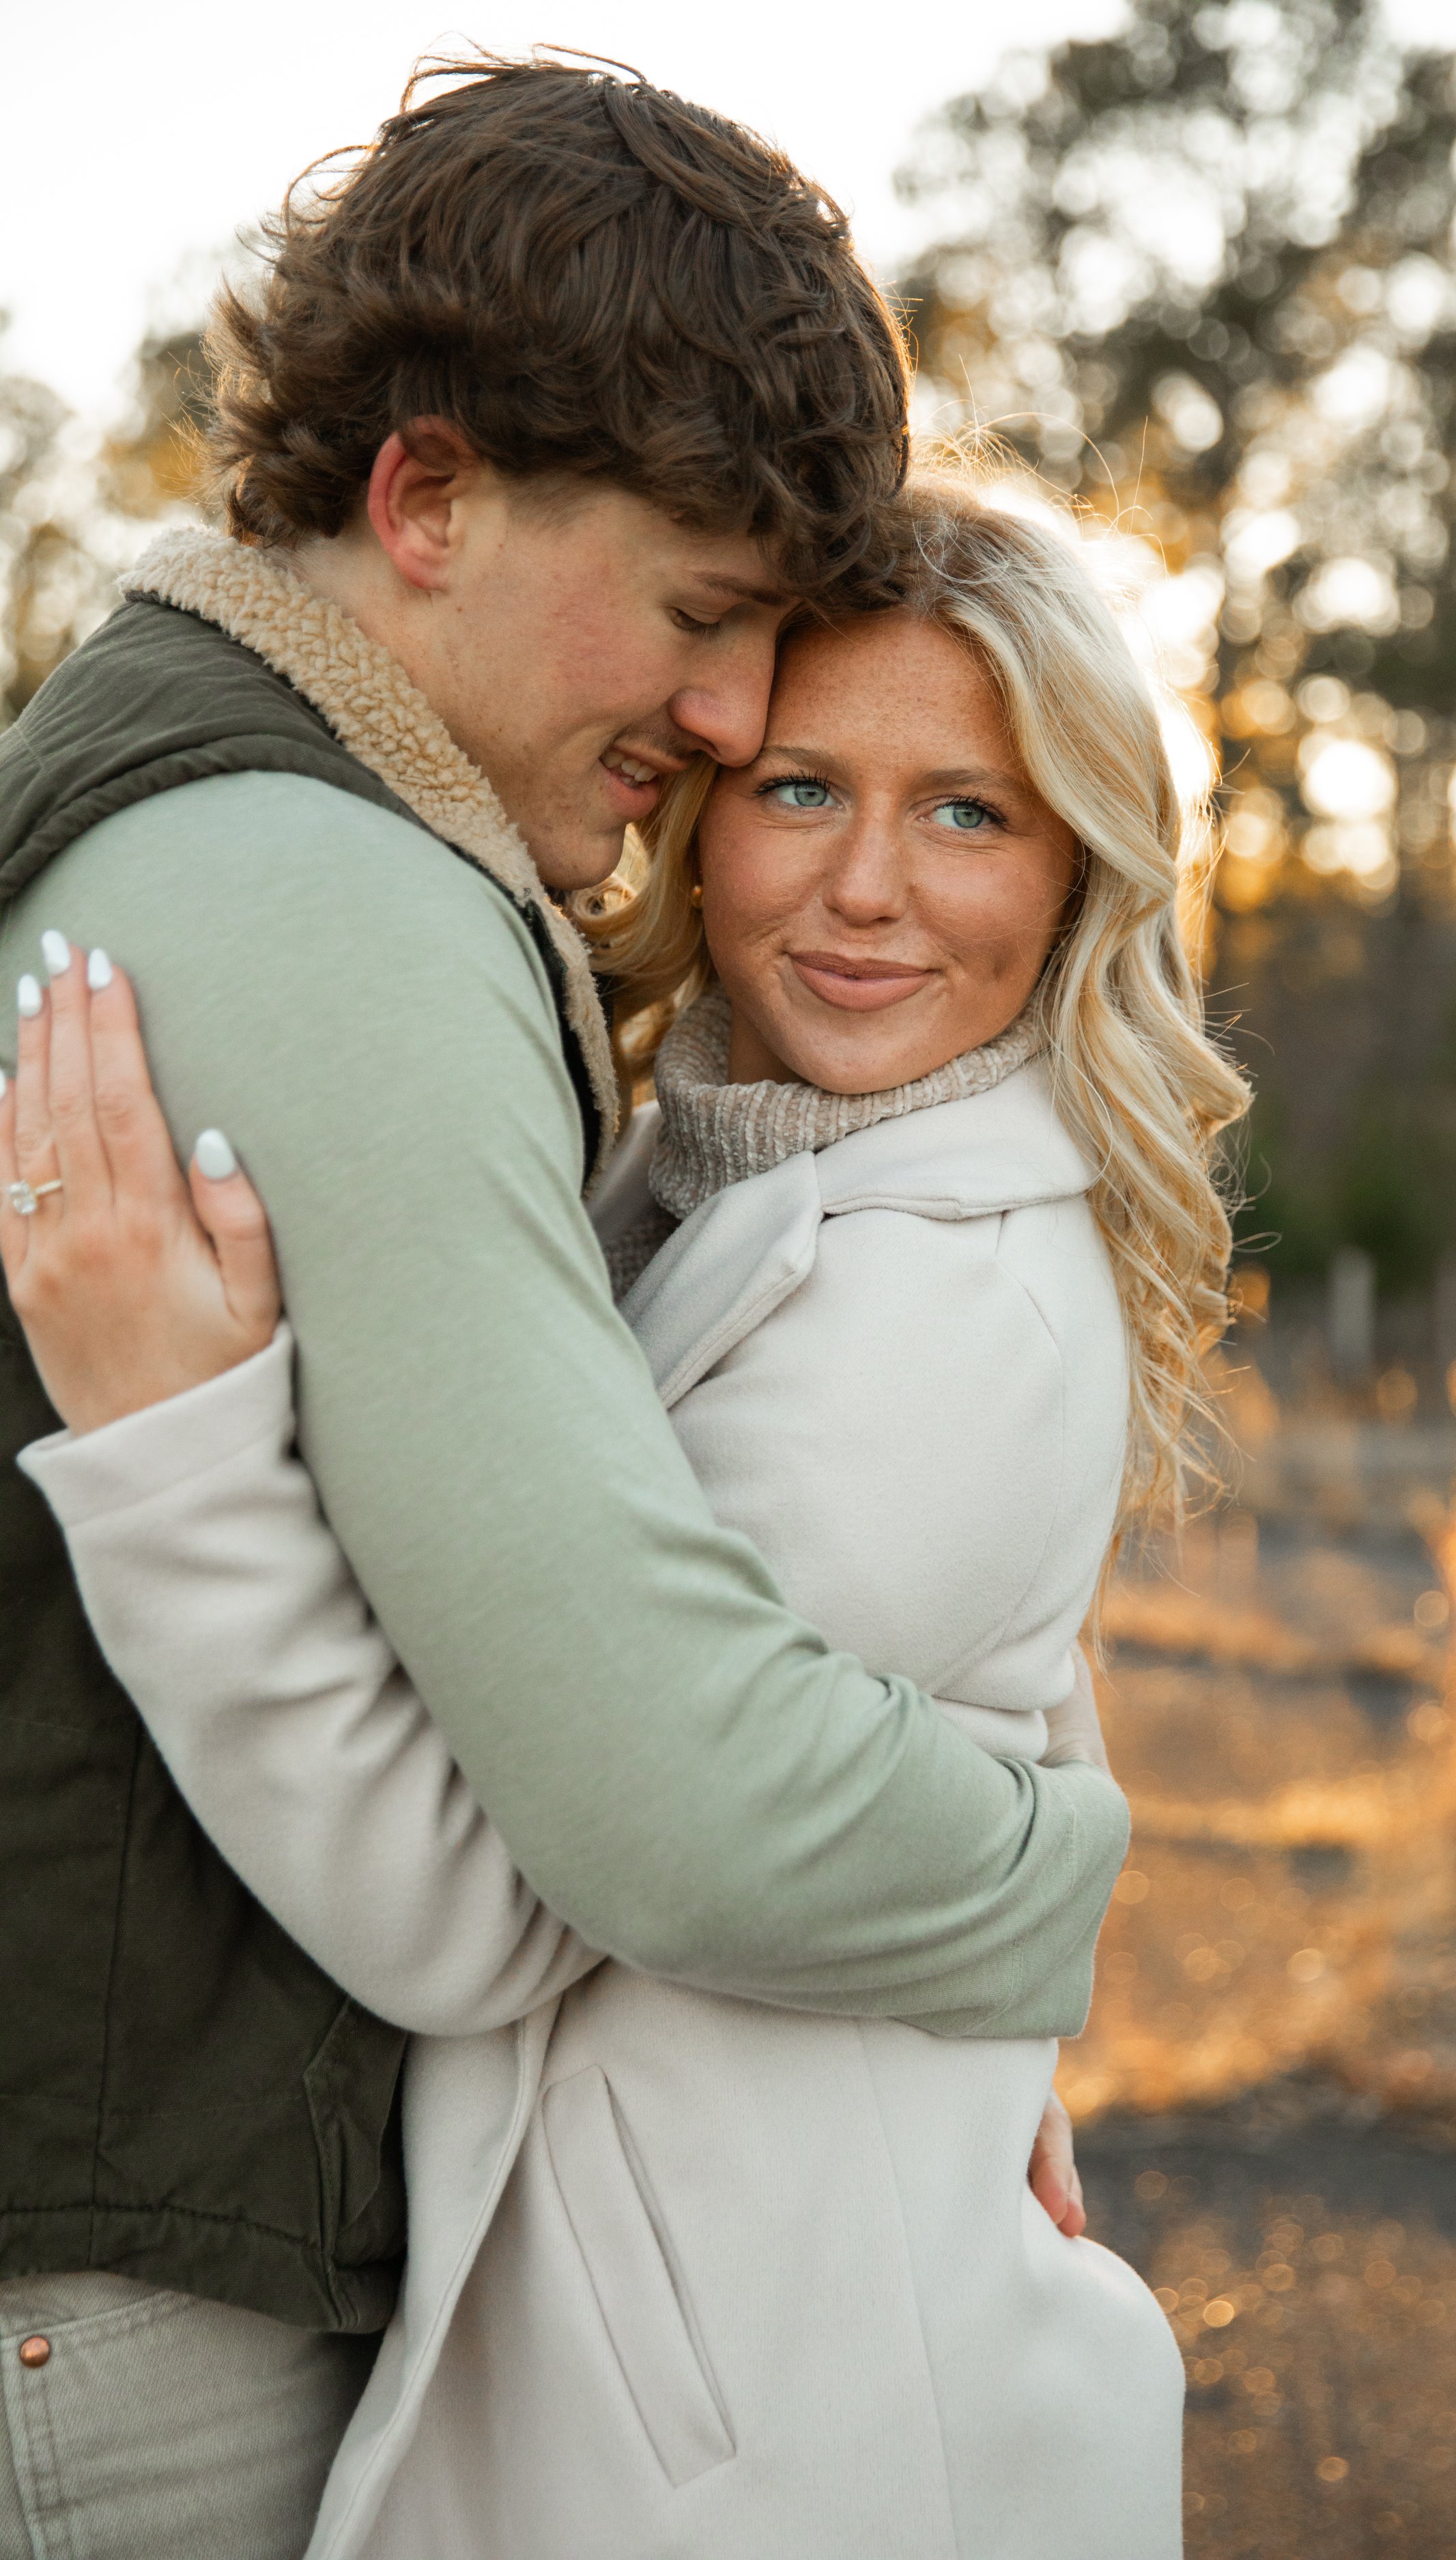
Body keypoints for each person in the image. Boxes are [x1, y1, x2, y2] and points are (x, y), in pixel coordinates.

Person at [0, 60, 1132, 2560]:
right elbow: (652, 1811)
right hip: (127, 2300)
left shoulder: (201, 787)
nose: (730, 724)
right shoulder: (327, 897)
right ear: (428, 501)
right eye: (707, 619)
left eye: (959, 810)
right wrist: (1043, 1883)